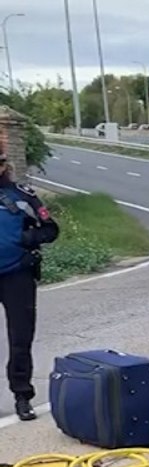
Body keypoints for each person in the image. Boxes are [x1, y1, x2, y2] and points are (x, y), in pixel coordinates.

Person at [0, 152, 59, 421]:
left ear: (4, 166)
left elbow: (50, 229)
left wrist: (30, 237)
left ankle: (22, 396)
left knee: (20, 339)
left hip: (17, 276)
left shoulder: (23, 196)